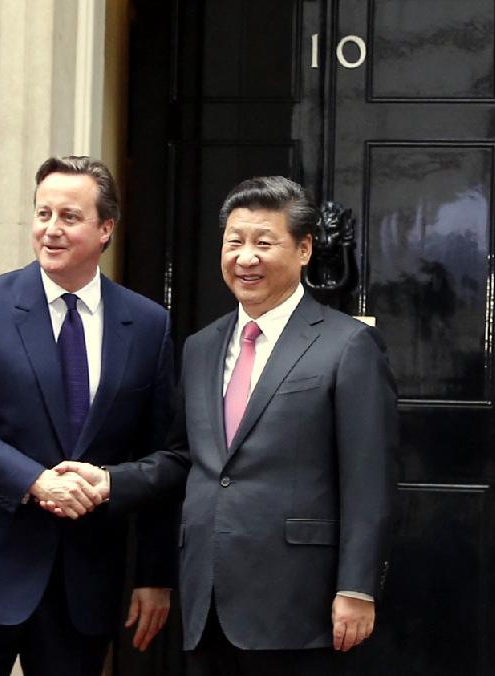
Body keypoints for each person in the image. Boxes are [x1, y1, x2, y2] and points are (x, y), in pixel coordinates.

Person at [51, 176, 398, 675]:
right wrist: (109, 481)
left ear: (303, 250)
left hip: (302, 604)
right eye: (234, 241)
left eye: (264, 242)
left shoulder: (347, 346)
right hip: (207, 598)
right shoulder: (201, 347)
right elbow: (184, 460)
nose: (246, 257)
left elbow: (371, 478)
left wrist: (357, 587)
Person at [0, 156, 176, 676]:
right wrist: (36, 481)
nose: (51, 230)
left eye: (69, 217)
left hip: (84, 582)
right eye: (42, 214)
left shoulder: (148, 324)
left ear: (106, 229)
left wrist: (154, 574)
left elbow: (164, 456)